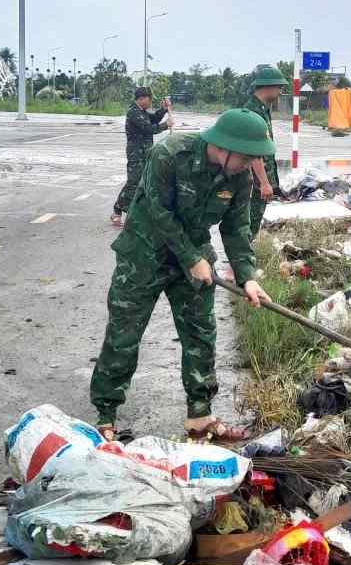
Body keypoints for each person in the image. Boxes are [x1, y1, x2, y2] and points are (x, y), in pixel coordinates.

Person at [90, 109, 274, 442]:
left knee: (201, 334)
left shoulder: (239, 176)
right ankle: (105, 415)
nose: (250, 165)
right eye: (246, 157)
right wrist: (191, 258)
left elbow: (236, 228)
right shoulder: (170, 154)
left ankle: (200, 416)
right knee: (124, 334)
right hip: (144, 253)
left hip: (194, 256)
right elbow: (160, 212)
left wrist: (247, 276)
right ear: (224, 147)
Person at [111, 87, 173, 227]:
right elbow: (148, 128)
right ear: (142, 99)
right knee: (134, 181)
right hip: (136, 153)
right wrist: (165, 125)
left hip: (145, 152)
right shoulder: (133, 112)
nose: (151, 102)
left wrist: (163, 109)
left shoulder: (142, 112)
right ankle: (119, 211)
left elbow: (153, 119)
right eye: (149, 99)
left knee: (143, 182)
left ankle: (125, 211)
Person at [243, 65, 287, 238]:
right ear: (268, 87)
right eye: (279, 87)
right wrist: (264, 182)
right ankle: (239, 262)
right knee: (249, 225)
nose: (280, 92)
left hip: (258, 181)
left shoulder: (262, 109)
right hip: (254, 183)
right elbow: (254, 151)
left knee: (252, 223)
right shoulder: (254, 111)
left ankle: (241, 260)